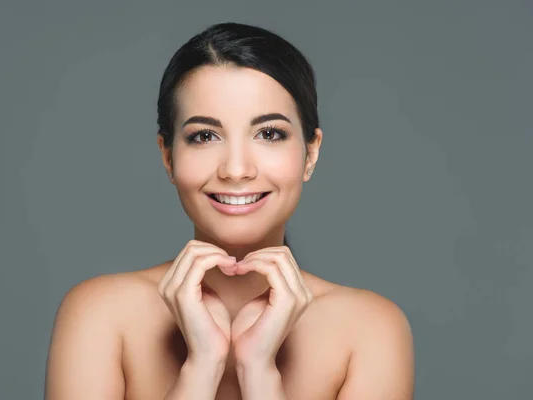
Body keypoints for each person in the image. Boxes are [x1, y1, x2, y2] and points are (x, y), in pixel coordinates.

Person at [44, 22, 414, 400]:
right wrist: (202, 366)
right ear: (168, 156)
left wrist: (258, 371)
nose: (236, 169)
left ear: (311, 152)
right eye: (204, 136)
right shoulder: (100, 314)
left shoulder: (370, 330)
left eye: (269, 133)